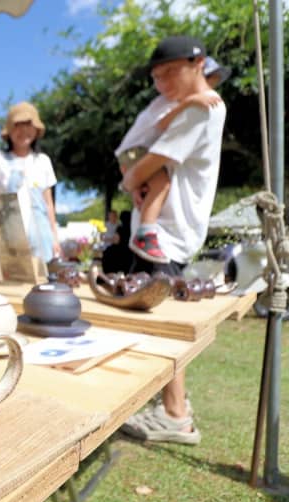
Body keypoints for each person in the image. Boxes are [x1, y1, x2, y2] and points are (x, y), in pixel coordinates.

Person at [119, 36, 227, 445]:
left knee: (163, 326)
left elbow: (145, 167)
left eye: (169, 73)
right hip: (165, 232)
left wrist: (131, 179)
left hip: (165, 235)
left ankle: (175, 415)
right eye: (156, 77)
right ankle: (173, 407)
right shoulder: (185, 108)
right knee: (156, 321)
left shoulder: (205, 108)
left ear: (197, 63)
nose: (162, 83)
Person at [116, 55, 229, 263]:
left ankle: (146, 230)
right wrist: (189, 101)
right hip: (134, 151)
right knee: (162, 183)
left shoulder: (199, 107)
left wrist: (132, 183)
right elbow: (160, 126)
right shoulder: (171, 103)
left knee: (158, 183)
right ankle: (146, 233)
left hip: (135, 152)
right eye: (158, 77)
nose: (211, 86)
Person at [0, 102, 61, 263]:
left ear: (36, 131)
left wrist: (54, 237)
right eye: (18, 126)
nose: (24, 131)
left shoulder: (43, 161)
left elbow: (48, 204)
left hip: (41, 239)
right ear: (9, 131)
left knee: (43, 284)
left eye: (28, 126)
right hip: (9, 238)